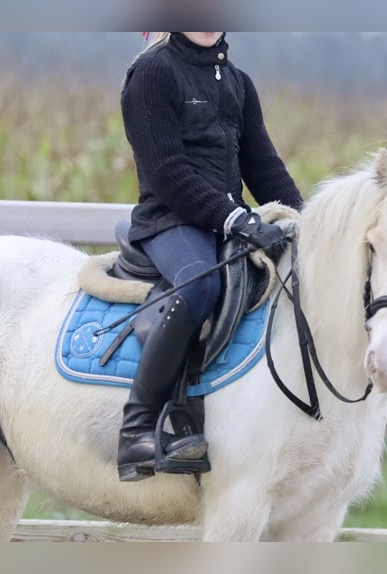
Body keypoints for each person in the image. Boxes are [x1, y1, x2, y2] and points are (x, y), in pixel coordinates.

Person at [117, 32, 304, 482]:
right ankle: (137, 429)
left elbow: (263, 166)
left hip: (224, 221)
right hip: (170, 221)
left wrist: (307, 224)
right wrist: (235, 219)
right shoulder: (152, 73)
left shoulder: (237, 82)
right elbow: (166, 171)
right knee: (200, 283)